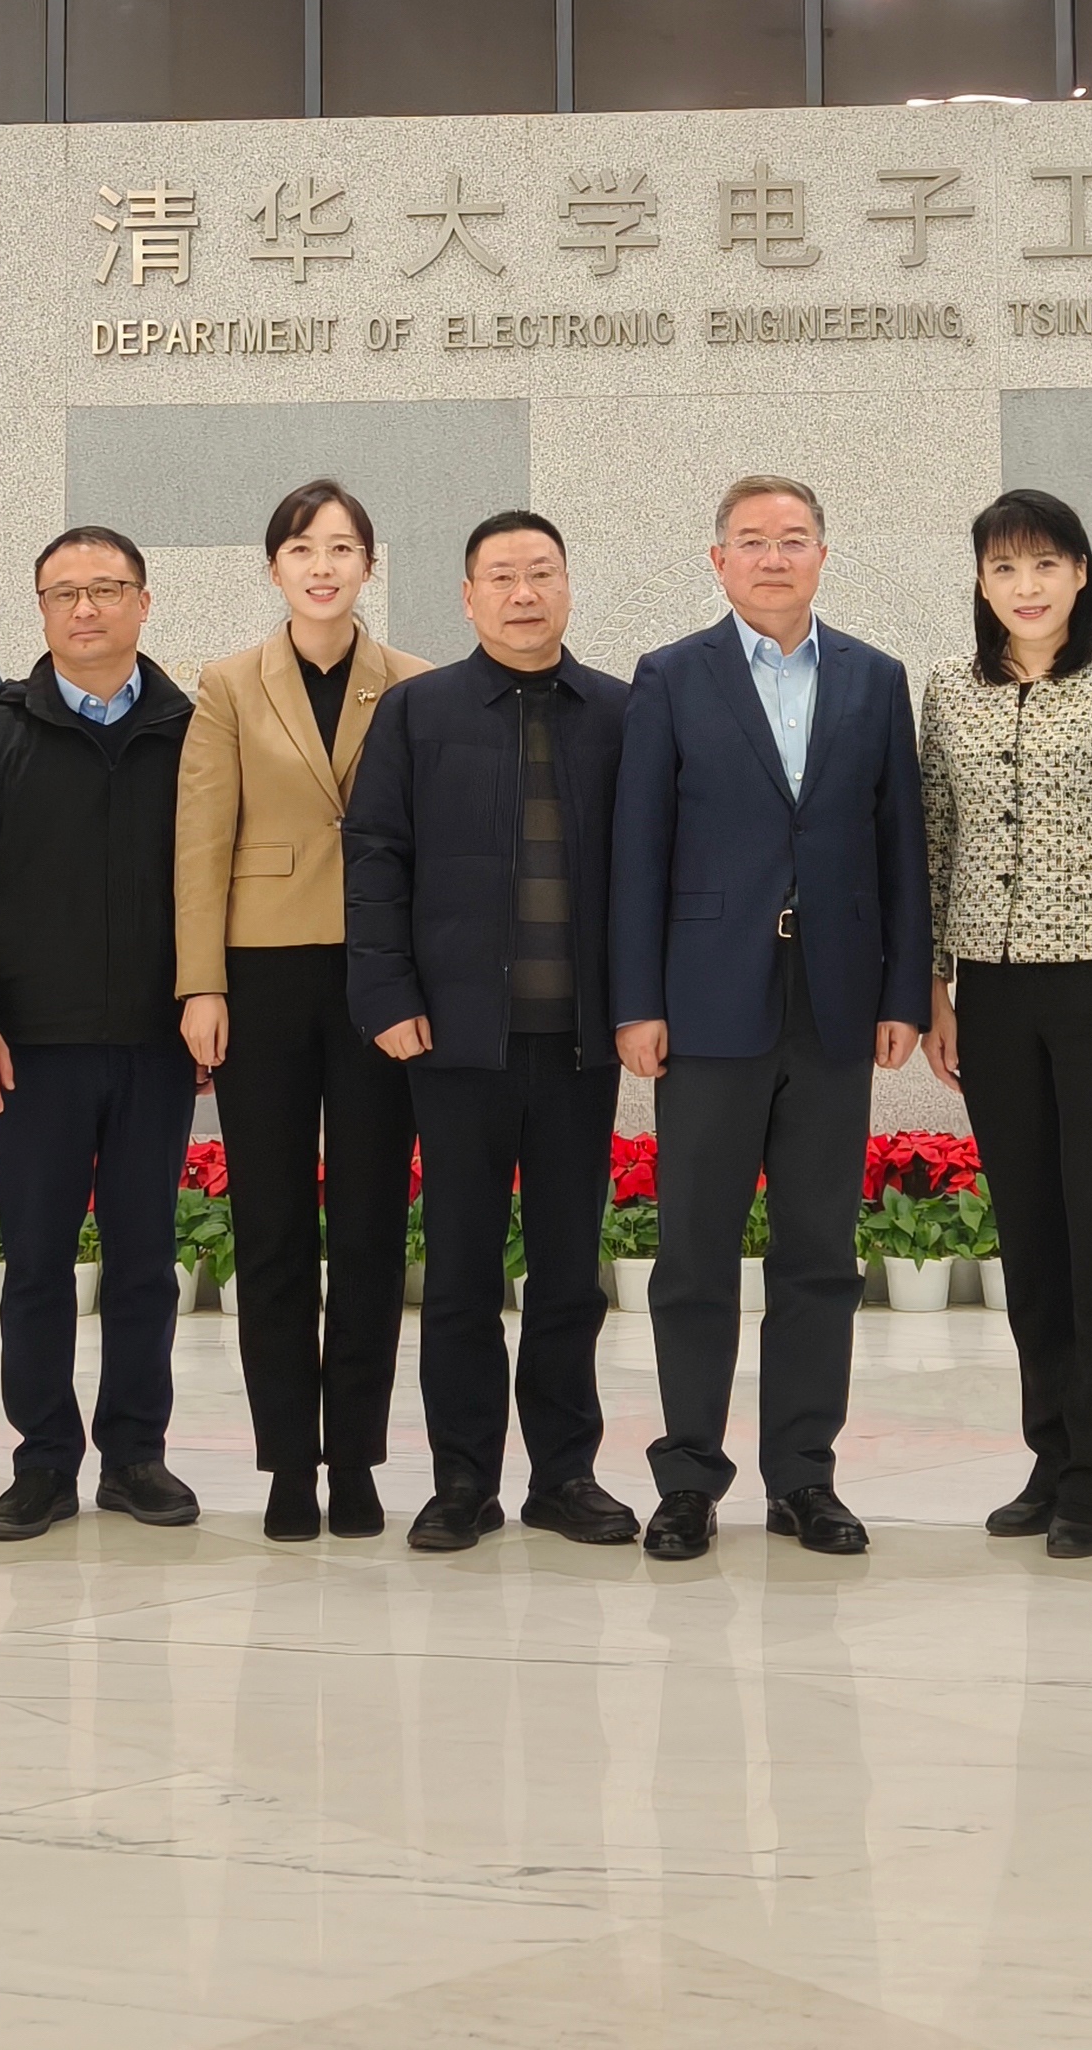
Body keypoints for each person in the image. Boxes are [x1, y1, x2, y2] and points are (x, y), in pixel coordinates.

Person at [611, 473, 930, 1562]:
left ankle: (803, 1477)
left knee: (819, 1255)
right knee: (695, 1255)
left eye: (793, 539)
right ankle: (687, 1480)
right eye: (751, 541)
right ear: (718, 561)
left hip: (835, 1003)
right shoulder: (669, 676)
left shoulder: (874, 678)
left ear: (822, 556)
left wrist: (902, 992)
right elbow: (638, 851)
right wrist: (637, 1003)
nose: (773, 557)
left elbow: (900, 846)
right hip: (705, 1003)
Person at [345, 509, 641, 1552]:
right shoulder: (417, 712)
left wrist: (640, 1008)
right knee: (462, 1274)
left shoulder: (620, 712)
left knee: (567, 1274)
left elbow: (649, 870)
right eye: (502, 577)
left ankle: (565, 1475)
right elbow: (374, 857)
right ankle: (462, 1479)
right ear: (468, 597)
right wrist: (385, 996)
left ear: (567, 588)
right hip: (455, 1042)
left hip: (579, 1044)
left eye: (541, 573)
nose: (524, 594)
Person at [0, 524, 203, 1539]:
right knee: (36, 1263)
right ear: (40, 610)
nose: (86, 608)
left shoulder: (192, 737)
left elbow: (222, 882)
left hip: (155, 1049)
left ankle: (135, 1456)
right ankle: (42, 1460)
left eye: (106, 589)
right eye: (64, 592)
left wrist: (209, 1002)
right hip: (29, 1053)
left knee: (144, 1262)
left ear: (143, 602)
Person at [918, 488, 1092, 1559]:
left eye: (1044, 564)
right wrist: (935, 985)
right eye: (1003, 567)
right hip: (988, 993)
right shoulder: (949, 690)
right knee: (1029, 1233)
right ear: (981, 582)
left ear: (1080, 572)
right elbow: (934, 840)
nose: (1025, 587)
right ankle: (1048, 1452)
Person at [175, 478, 429, 1540]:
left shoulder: (415, 683)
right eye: (301, 549)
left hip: (381, 978)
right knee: (271, 1227)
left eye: (341, 548)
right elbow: (200, 841)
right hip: (263, 972)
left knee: (370, 1229)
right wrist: (200, 983)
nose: (322, 567)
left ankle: (356, 1457)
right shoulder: (229, 684)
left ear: (369, 564)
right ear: (274, 566)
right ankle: (288, 1460)